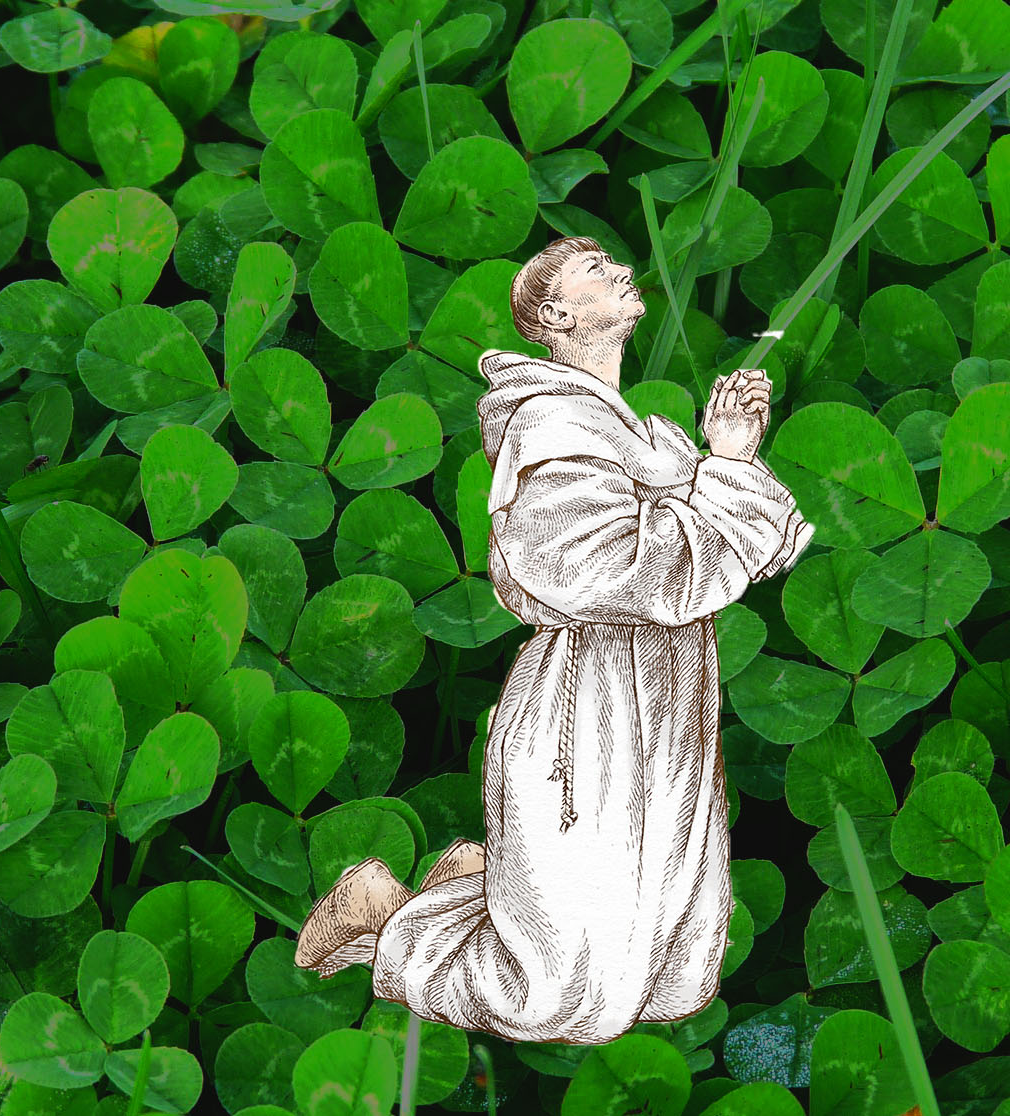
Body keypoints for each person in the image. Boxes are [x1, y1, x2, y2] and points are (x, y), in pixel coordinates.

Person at [293, 235, 814, 1044]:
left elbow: (762, 549)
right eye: (596, 271)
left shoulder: (641, 430)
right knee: (564, 996)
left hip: (670, 692)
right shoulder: (549, 429)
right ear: (560, 316)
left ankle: (471, 891)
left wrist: (729, 457)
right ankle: (389, 918)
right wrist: (722, 480)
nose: (620, 272)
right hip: (592, 705)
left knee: (670, 964)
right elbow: (626, 573)